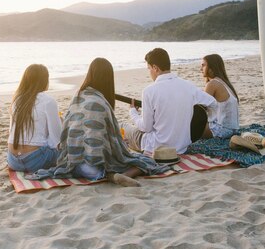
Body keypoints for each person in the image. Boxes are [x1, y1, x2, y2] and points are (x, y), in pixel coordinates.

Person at [30, 58, 169, 187]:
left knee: (97, 164)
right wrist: (122, 147)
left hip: (72, 163)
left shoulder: (77, 97)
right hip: (96, 166)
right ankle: (119, 175)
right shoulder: (102, 103)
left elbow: (66, 130)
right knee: (144, 162)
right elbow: (112, 141)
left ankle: (110, 175)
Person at [123, 47, 216, 155]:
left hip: (156, 148)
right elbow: (213, 103)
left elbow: (146, 128)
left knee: (122, 126)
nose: (149, 73)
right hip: (181, 148)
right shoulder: (188, 86)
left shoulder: (149, 91)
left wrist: (133, 112)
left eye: (149, 69)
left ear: (155, 68)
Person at [7, 64, 61, 173]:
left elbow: (10, 132)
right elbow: (56, 140)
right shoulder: (48, 101)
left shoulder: (17, 100)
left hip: (13, 161)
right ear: (44, 80)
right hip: (36, 161)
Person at [201, 54, 240, 139]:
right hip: (233, 130)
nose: (201, 69)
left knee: (188, 126)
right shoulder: (225, 83)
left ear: (211, 68)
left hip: (221, 130)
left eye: (203, 65)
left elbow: (201, 109)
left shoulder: (212, 84)